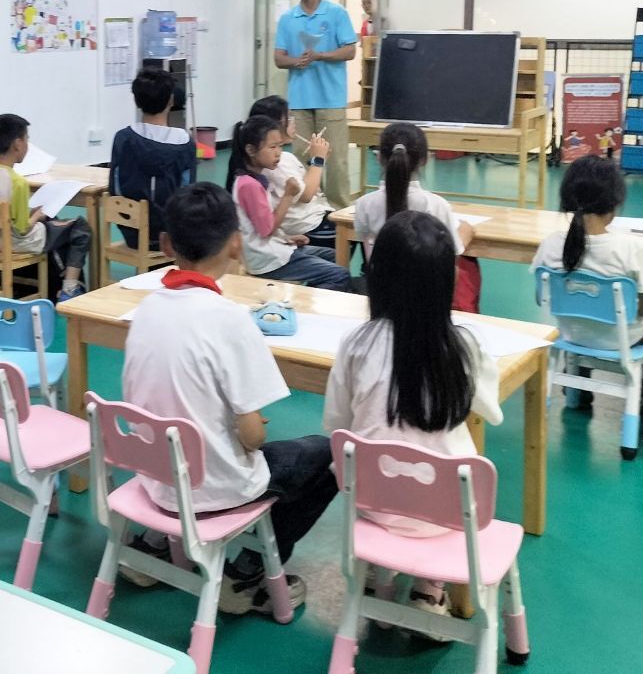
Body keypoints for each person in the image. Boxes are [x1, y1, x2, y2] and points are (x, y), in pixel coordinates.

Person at [122, 182, 336, 615]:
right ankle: (249, 575)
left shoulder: (146, 308)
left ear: (166, 244)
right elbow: (253, 438)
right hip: (213, 486)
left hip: (156, 475)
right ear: (237, 243)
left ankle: (152, 545)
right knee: (328, 456)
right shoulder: (229, 319)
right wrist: (245, 428)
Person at [323, 210, 501, 631]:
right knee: (456, 458)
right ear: (448, 280)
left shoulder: (356, 344)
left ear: (376, 276)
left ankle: (379, 575)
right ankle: (430, 588)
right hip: (449, 511)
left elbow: (336, 427)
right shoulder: (464, 346)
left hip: (373, 501)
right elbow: (491, 411)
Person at [530, 156, 643, 351]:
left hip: (570, 336)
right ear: (614, 202)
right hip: (623, 341)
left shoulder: (550, 244)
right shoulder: (632, 248)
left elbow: (541, 298)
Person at [353, 121, 478, 309]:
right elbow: (449, 256)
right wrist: (464, 235)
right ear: (425, 159)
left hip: (382, 295)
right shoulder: (436, 205)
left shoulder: (364, 204)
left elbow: (370, 252)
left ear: (379, 158)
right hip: (427, 299)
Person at [0, 113, 92, 302]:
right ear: (18, 144)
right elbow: (23, 229)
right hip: (17, 241)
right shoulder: (17, 182)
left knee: (57, 225)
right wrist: (39, 215)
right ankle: (69, 289)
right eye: (27, 139)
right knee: (80, 228)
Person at [225, 115, 353, 291]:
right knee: (339, 275)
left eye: (280, 146)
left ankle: (309, 295)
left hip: (274, 248)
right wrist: (288, 195)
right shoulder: (249, 185)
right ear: (251, 150)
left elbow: (259, 227)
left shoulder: (255, 179)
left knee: (335, 256)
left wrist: (286, 238)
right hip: (268, 260)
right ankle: (305, 303)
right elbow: (267, 230)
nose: (278, 152)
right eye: (272, 147)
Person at [272, 0, 357, 209]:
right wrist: (295, 61)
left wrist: (320, 55)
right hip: (300, 101)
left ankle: (339, 213)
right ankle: (307, 212)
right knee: (301, 159)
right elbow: (278, 58)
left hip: (331, 99)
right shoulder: (288, 18)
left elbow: (350, 51)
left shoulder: (336, 13)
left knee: (336, 160)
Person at [108, 67, 197, 250]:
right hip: (172, 235)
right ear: (171, 100)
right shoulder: (185, 143)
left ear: (136, 100)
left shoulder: (123, 138)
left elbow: (115, 188)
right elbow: (188, 193)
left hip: (132, 231)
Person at [249, 95, 332, 241]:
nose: (294, 122)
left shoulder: (284, 157)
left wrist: (318, 158)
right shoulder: (274, 163)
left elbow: (309, 186)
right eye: (289, 118)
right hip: (308, 226)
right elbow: (306, 195)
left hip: (313, 218)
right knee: (355, 226)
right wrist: (318, 161)